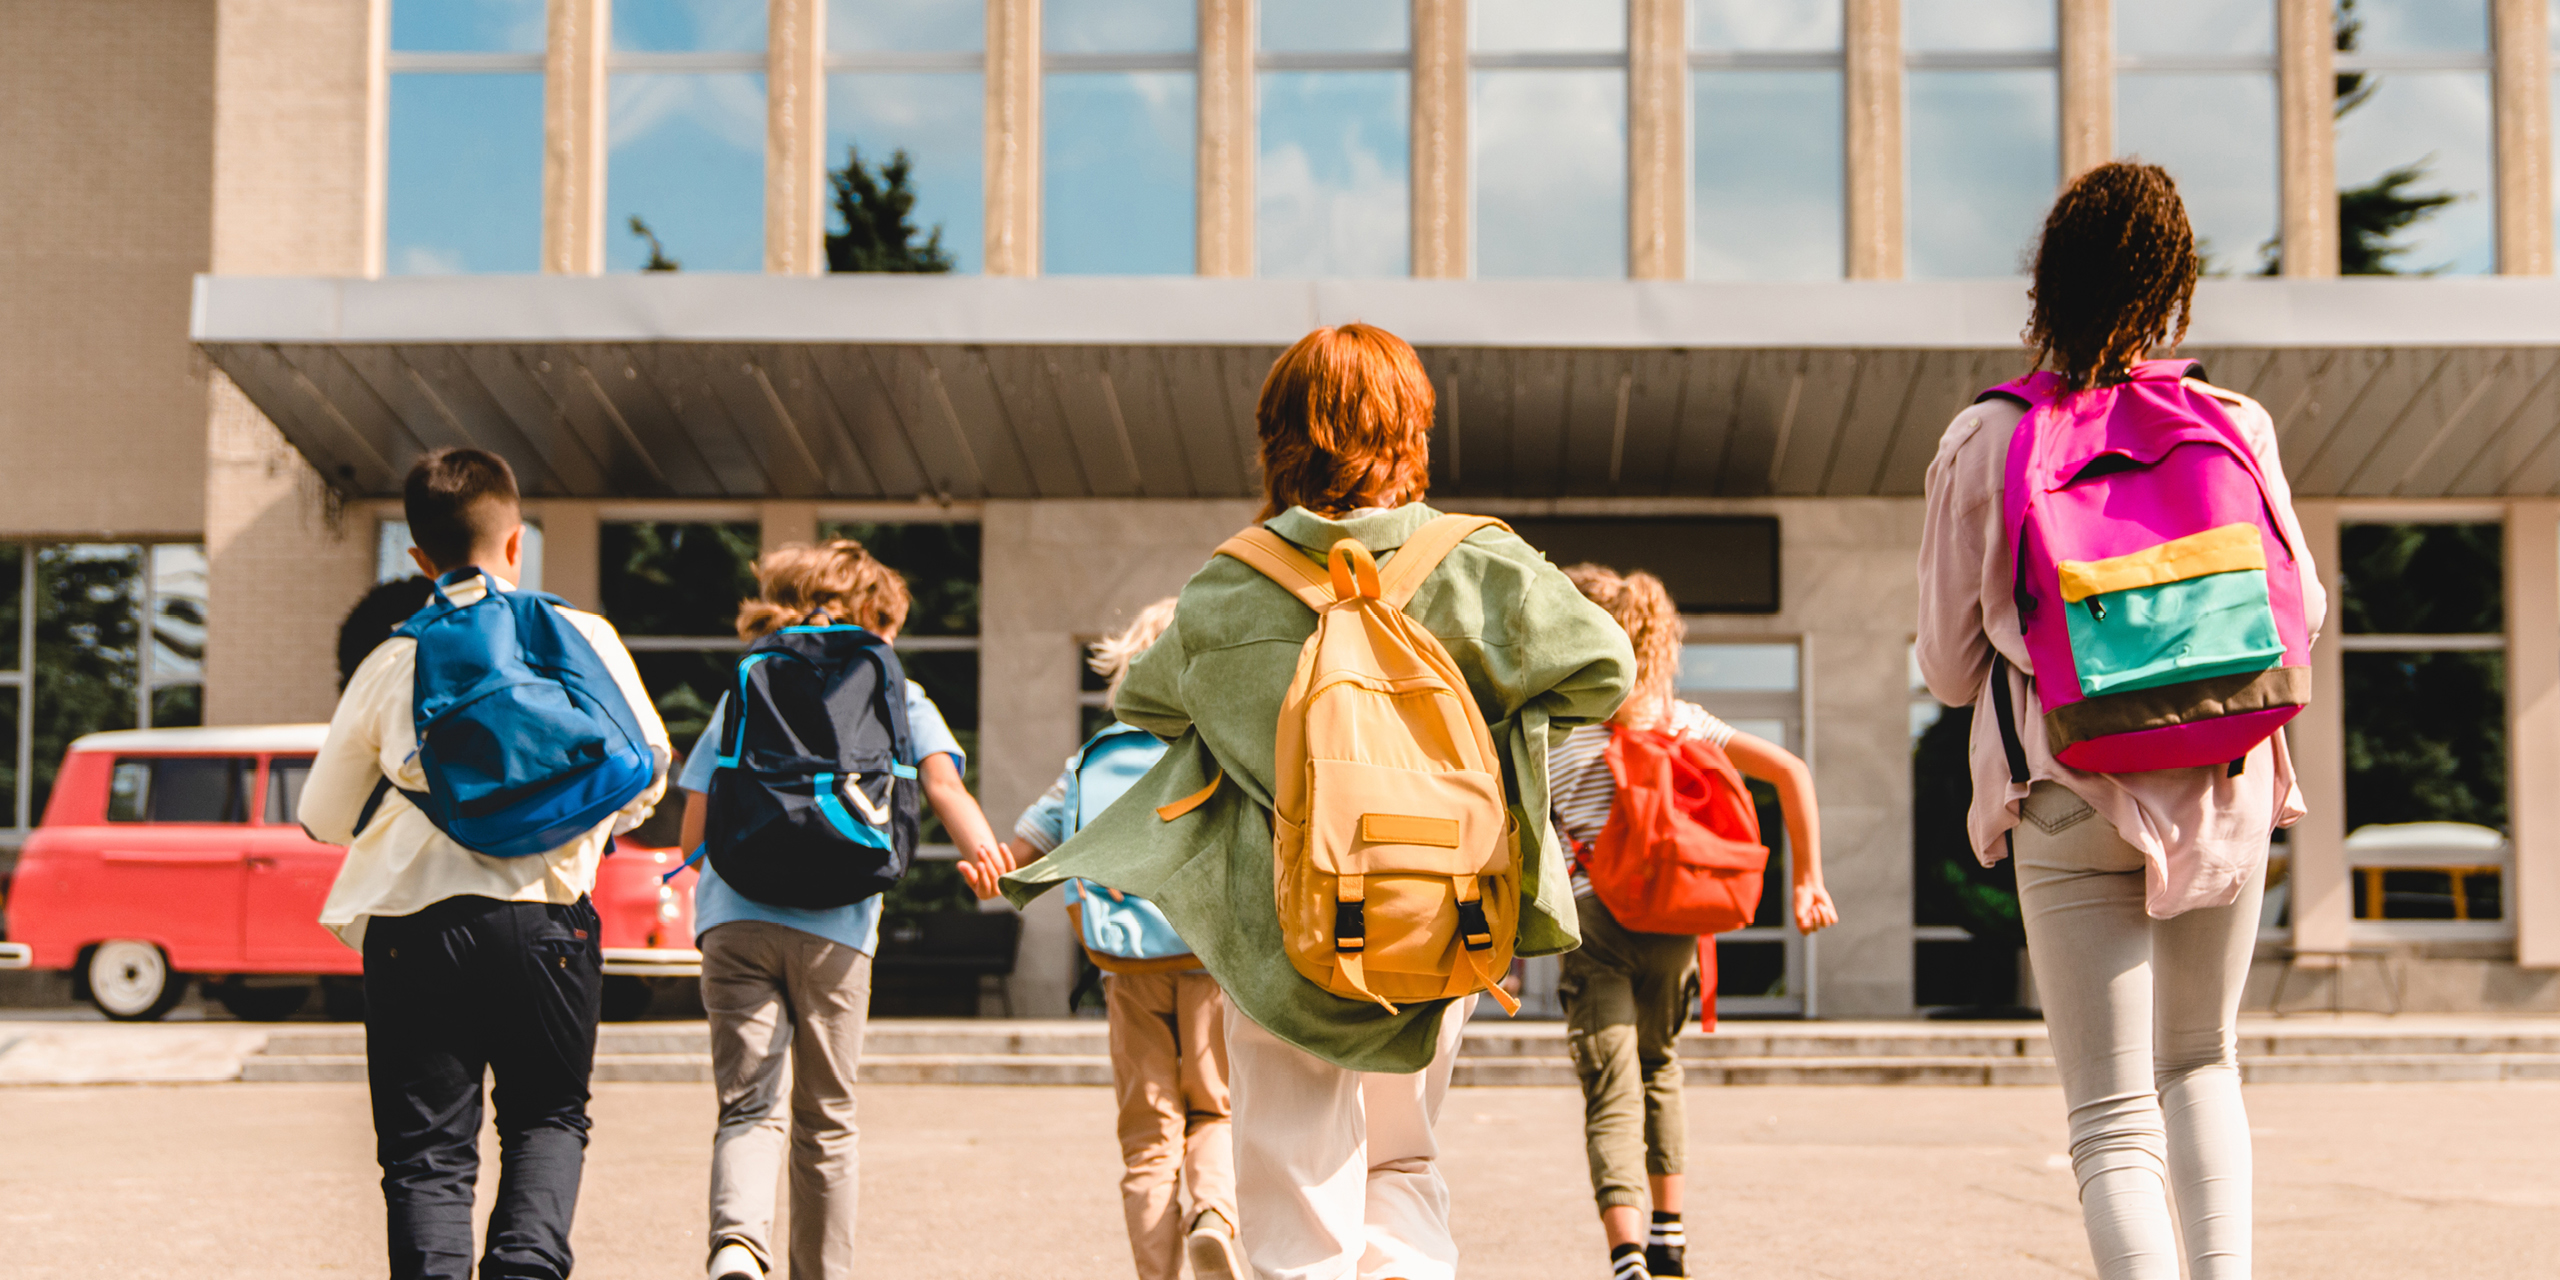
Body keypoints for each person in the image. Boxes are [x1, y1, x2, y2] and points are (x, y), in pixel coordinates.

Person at [989, 322, 1632, 1280]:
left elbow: (1141, 701)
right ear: (1411, 428)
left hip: (1280, 932)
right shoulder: (1476, 561)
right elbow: (1603, 669)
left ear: (1277, 436)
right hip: (1438, 915)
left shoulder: (1230, 582)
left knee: (1294, 1189)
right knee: (1404, 1160)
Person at [1915, 162, 2323, 1280]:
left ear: (2047, 281)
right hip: (2222, 778)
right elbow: (2306, 616)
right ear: (2174, 285)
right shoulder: (2234, 422)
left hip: (2069, 781)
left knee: (2108, 1115)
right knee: (2201, 1061)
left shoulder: (1987, 437)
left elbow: (1950, 671)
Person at [301, 448, 672, 1280]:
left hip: (412, 927)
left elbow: (321, 816)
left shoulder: (393, 660)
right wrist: (572, 828)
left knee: (427, 1152)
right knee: (546, 1121)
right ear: (517, 543)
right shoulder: (582, 636)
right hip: (549, 922)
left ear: (418, 558)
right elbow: (647, 763)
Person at [676, 539, 1006, 1280]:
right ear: (872, 615)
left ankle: (736, 1244)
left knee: (747, 1106)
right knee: (826, 1120)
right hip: (838, 926)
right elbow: (946, 788)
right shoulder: (897, 688)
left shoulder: (750, 680)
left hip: (735, 918)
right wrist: (987, 860)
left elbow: (697, 821)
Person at [1547, 564, 1839, 1280]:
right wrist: (1808, 882)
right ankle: (1670, 1241)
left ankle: (1626, 1258)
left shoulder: (1551, 729)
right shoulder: (1677, 719)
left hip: (1595, 924)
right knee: (1660, 1071)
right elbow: (1793, 773)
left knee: (1610, 1088)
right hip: (1676, 926)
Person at [962, 598, 1247, 1280]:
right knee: (1215, 1110)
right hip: (1212, 960)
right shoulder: (1224, 748)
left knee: (1149, 1138)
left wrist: (989, 872)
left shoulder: (1093, 757)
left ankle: (1158, 1274)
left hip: (1125, 963)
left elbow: (1021, 854)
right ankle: (1212, 1212)